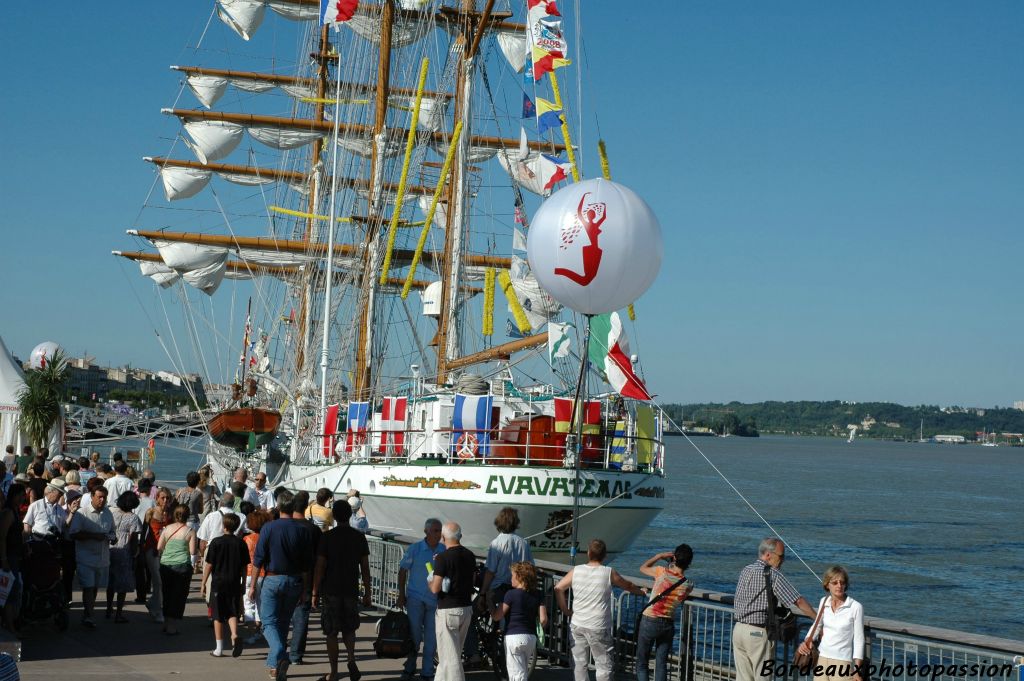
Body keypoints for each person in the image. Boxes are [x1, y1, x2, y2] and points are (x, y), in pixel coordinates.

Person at [555, 539, 646, 681]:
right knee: (603, 666)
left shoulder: (576, 570)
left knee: (579, 664)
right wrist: (641, 592)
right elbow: (627, 585)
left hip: (577, 624)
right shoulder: (608, 572)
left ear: (588, 553)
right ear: (604, 556)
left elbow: (558, 588)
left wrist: (566, 610)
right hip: (598, 626)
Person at [250, 489, 314, 681]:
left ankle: (279, 653)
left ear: (277, 506)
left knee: (268, 622)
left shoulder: (269, 528)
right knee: (284, 623)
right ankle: (275, 666)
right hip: (294, 580)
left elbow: (258, 560)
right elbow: (307, 565)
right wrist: (306, 589)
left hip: (272, 578)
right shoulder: (303, 530)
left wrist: (252, 584)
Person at [732, 538, 816, 681]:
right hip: (757, 633)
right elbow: (798, 600)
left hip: (738, 630)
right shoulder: (772, 574)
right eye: (781, 556)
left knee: (743, 678)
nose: (783, 560)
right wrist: (818, 618)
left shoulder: (746, 570)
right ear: (768, 555)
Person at [312, 499, 371, 681]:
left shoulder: (327, 537)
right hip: (351, 589)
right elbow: (365, 567)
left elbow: (320, 566)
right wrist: (368, 592)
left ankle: (334, 671)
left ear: (334, 516)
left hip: (331, 590)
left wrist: (314, 591)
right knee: (349, 629)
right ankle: (351, 658)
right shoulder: (359, 537)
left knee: (331, 632)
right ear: (349, 515)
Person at [636, 544, 695, 681]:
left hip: (649, 620)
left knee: (642, 663)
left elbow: (642, 568)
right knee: (661, 664)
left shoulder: (661, 572)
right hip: (668, 623)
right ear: (689, 563)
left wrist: (659, 556)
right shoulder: (688, 584)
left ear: (674, 557)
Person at [797, 566, 864, 681]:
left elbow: (859, 640)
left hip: (842, 663)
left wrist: (857, 670)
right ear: (828, 585)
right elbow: (817, 625)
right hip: (822, 660)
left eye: (842, 582)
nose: (839, 585)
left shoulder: (855, 607)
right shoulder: (824, 602)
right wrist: (807, 640)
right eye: (835, 582)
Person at [397, 517, 445, 681]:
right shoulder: (415, 549)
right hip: (415, 599)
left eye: (440, 531)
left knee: (431, 638)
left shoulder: (443, 550)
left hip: (435, 600)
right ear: (426, 531)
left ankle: (427, 672)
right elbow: (403, 571)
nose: (439, 534)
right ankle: (410, 666)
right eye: (436, 530)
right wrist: (401, 595)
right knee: (414, 636)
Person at [429, 521, 476, 681]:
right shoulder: (470, 555)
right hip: (466, 609)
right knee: (450, 654)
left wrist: (430, 579)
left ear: (443, 537)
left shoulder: (443, 558)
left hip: (448, 610)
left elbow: (435, 588)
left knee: (450, 658)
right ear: (460, 536)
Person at [201, 512, 250, 658]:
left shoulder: (216, 542)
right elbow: (243, 567)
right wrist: (242, 583)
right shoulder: (241, 543)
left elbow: (209, 564)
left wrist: (203, 582)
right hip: (234, 582)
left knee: (217, 615)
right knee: (232, 611)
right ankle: (234, 635)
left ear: (223, 525)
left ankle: (219, 648)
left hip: (219, 582)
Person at [69, 485, 115, 628]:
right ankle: (89, 615)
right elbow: (74, 533)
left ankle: (88, 612)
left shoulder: (108, 513)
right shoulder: (82, 513)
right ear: (92, 497)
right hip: (85, 557)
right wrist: (94, 536)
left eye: (104, 497)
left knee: (95, 587)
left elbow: (113, 531)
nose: (102, 500)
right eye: (99, 497)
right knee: (88, 587)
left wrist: (113, 537)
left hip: (102, 558)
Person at [493, 562, 548, 681]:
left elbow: (497, 616)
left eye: (512, 575)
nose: (510, 578)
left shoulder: (510, 594)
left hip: (513, 637)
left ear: (520, 576)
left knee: (517, 676)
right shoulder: (538, 594)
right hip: (530, 638)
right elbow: (543, 619)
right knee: (522, 670)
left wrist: (489, 604)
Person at [479, 507, 533, 616]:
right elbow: (529, 566)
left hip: (498, 589)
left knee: (474, 612)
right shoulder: (523, 543)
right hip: (517, 588)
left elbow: (491, 571)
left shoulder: (496, 543)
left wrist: (483, 593)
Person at [287, 490, 320, 666]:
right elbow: (320, 558)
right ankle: (296, 655)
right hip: (307, 577)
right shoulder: (314, 530)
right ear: (307, 507)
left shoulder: (282, 526)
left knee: (282, 617)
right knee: (301, 619)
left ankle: (278, 651)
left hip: (284, 575)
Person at [157, 503, 196, 635]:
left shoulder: (167, 528)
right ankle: (172, 626)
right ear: (187, 516)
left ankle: (166, 622)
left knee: (167, 594)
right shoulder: (190, 531)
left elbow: (159, 547)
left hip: (165, 565)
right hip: (182, 566)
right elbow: (192, 551)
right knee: (178, 596)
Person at [106, 490, 142, 623]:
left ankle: (109, 608)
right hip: (124, 551)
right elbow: (133, 538)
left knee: (111, 581)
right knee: (122, 584)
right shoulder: (133, 518)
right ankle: (119, 613)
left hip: (111, 548)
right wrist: (134, 554)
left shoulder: (112, 513)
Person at [142, 487, 174, 622]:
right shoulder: (150, 513)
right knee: (158, 581)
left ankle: (152, 604)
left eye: (167, 498)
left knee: (162, 582)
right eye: (162, 498)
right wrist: (140, 550)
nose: (165, 500)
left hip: (166, 551)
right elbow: (144, 533)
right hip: (152, 549)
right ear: (157, 499)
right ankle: (159, 611)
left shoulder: (170, 514)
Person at [242, 508, 273, 644]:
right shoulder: (268, 538)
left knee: (248, 604)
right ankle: (260, 631)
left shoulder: (246, 539)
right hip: (263, 574)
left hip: (248, 573)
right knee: (261, 604)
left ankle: (252, 631)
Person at [0, 483, 27, 632]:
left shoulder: (15, 510)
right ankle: (10, 626)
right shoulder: (9, 512)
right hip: (8, 557)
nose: (23, 498)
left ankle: (9, 624)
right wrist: (3, 559)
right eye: (21, 495)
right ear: (14, 495)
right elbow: (2, 537)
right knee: (9, 592)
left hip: (15, 556)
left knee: (14, 590)